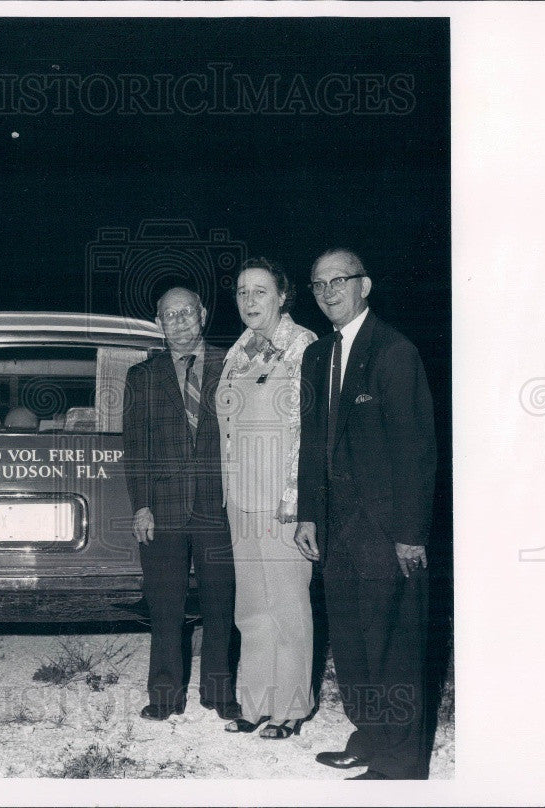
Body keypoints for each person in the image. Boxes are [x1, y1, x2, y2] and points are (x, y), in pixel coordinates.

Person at [295, 249, 436, 780]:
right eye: (319, 283)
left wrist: (410, 535)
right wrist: (308, 514)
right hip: (335, 529)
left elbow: (416, 451)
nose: (329, 291)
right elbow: (313, 444)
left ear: (365, 285)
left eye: (339, 280)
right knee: (353, 644)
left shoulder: (393, 351)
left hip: (386, 531)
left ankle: (399, 765)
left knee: (393, 647)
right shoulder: (317, 357)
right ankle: (370, 735)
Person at [122, 287, 240, 722]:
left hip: (220, 508)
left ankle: (219, 691)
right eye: (169, 315)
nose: (179, 322)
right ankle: (165, 695)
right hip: (163, 509)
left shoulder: (234, 365)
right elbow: (135, 448)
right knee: (165, 607)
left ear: (203, 315)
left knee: (220, 605)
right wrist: (141, 506)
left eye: (187, 312)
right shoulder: (142, 376)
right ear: (159, 323)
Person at [216, 258, 318, 740]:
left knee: (288, 604)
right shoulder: (238, 351)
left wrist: (297, 496)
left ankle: (291, 707)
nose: (249, 301)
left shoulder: (303, 347)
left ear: (283, 296)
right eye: (241, 292)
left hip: (281, 498)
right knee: (252, 606)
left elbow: (307, 429)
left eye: (260, 291)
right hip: (240, 497)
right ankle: (254, 700)